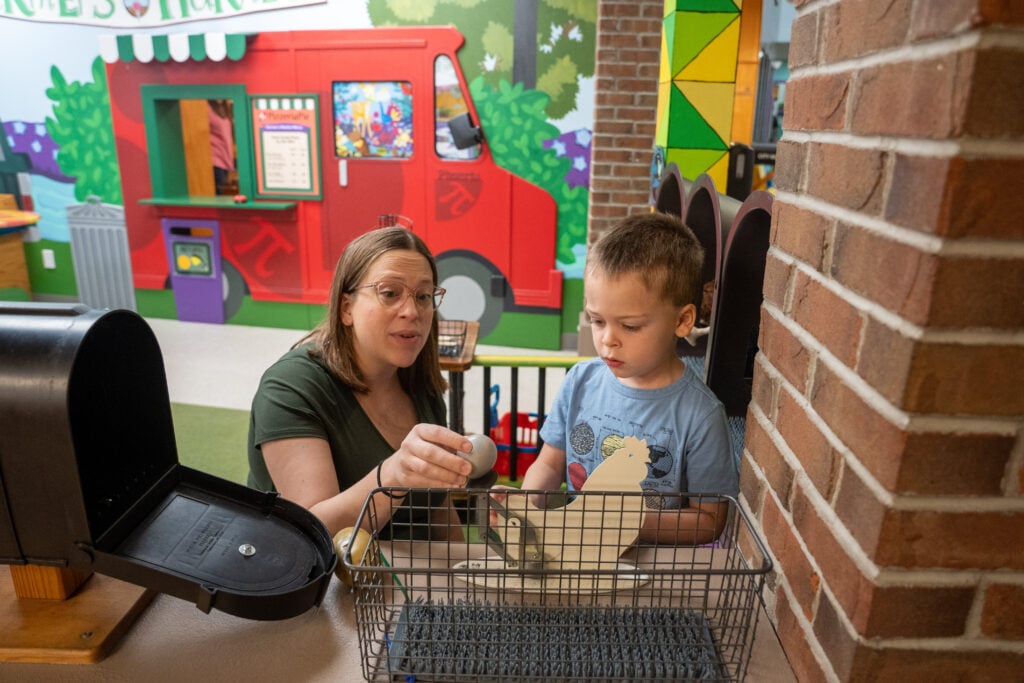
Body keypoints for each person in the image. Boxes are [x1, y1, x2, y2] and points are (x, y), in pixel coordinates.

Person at [519, 212, 738, 545]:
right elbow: (549, 465)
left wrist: (627, 522)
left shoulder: (701, 416)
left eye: (630, 326)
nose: (608, 339)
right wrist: (526, 503)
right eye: (597, 321)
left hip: (653, 578)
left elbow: (709, 520)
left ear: (682, 321)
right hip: (576, 558)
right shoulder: (580, 381)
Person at [247, 226, 474, 539]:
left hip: (402, 577)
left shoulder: (421, 386)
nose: (412, 311)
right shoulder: (292, 387)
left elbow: (438, 505)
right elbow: (311, 531)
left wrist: (462, 569)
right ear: (346, 308)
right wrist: (394, 474)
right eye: (390, 293)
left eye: (423, 296)